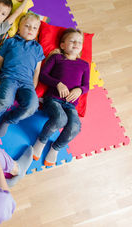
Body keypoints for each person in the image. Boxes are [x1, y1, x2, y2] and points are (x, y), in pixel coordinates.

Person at [0, 12, 44, 137]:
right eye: (27, 26)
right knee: (5, 101)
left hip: (27, 83)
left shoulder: (38, 48)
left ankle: (8, 120)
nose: (30, 29)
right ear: (19, 28)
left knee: (32, 106)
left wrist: (33, 86)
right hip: (9, 78)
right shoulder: (11, 42)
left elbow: (37, 70)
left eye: (35, 28)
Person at [33, 28, 90, 166]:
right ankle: (41, 140)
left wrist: (79, 90)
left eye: (79, 42)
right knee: (60, 119)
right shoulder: (57, 58)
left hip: (70, 104)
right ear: (63, 45)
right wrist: (57, 84)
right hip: (53, 99)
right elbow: (43, 75)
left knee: (75, 127)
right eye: (72, 41)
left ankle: (56, 148)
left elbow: (86, 85)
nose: (76, 43)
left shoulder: (84, 65)